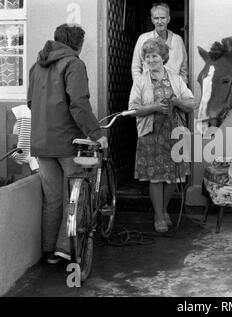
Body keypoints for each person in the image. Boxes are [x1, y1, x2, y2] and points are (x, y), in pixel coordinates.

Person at [27, 24, 108, 264]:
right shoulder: (74, 64)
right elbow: (79, 103)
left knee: (52, 199)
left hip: (42, 144)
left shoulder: (36, 66)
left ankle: (49, 250)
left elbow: (31, 102)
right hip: (68, 143)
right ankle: (65, 248)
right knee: (78, 193)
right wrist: (96, 133)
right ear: (78, 44)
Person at [128, 38, 196, 233]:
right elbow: (132, 110)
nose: (150, 60)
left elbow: (191, 103)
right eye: (147, 56)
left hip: (174, 133)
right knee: (156, 177)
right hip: (150, 134)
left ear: (163, 57)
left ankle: (164, 210)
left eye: (154, 56)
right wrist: (154, 107)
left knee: (173, 176)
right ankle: (159, 216)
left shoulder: (175, 78)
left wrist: (177, 102)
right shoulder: (140, 81)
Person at [131, 2, 188, 83]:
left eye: (163, 18)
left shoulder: (178, 40)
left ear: (168, 19)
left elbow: (184, 68)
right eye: (156, 18)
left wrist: (181, 87)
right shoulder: (143, 39)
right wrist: (140, 86)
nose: (159, 21)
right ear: (152, 20)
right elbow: (136, 67)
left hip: (174, 90)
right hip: (149, 88)